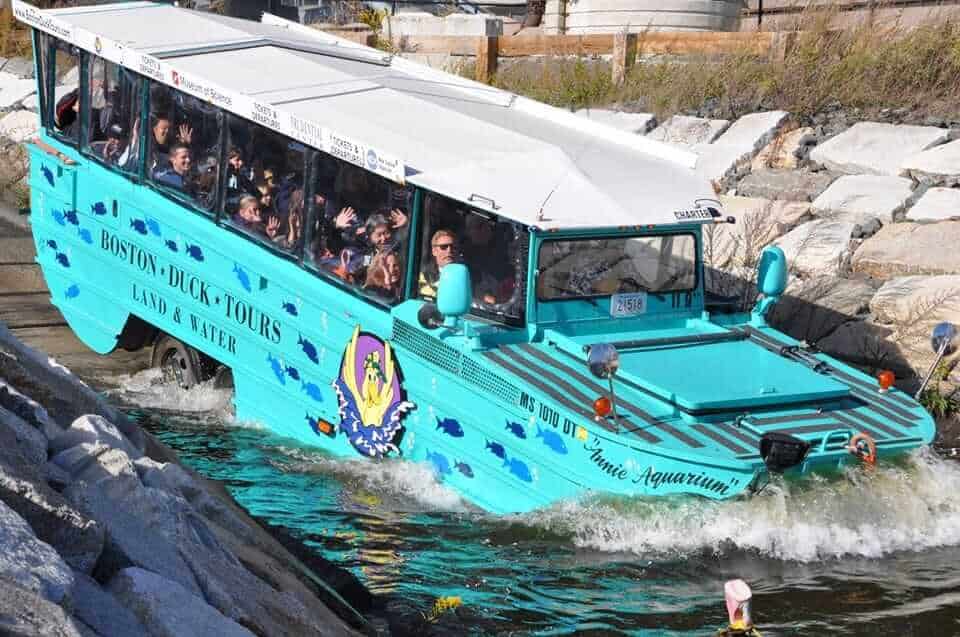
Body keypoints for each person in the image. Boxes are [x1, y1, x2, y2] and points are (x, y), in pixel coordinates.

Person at [419, 228, 459, 300]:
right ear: (434, 251)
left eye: (453, 247)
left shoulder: (469, 275)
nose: (449, 250)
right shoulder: (424, 277)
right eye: (443, 247)